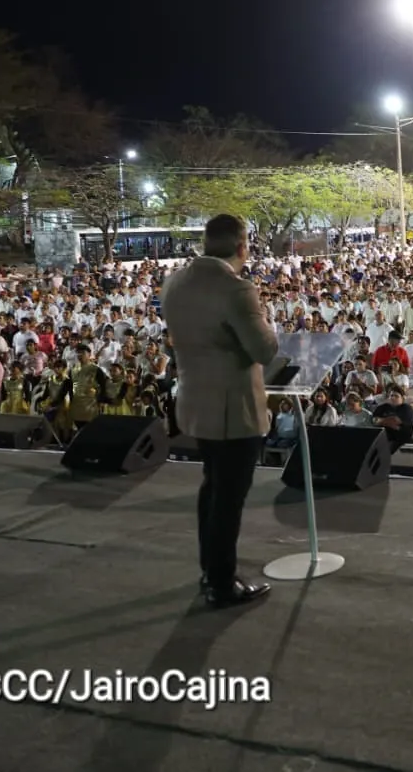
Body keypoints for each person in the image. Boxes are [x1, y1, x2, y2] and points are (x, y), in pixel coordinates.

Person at [160, 214, 278, 609]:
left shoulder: (175, 282)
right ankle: (222, 583)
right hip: (233, 408)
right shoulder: (236, 289)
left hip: (194, 401)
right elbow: (264, 350)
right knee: (229, 497)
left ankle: (210, 570)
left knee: (212, 488)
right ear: (242, 246)